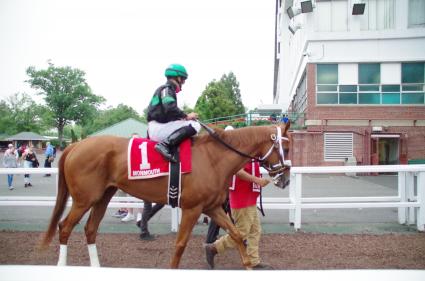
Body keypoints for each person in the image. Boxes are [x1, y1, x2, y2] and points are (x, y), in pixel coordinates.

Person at [204, 127, 272, 270]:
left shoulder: (247, 150)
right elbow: (237, 170)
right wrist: (257, 180)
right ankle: (213, 248)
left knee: (255, 230)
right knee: (241, 233)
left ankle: (254, 261)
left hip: (249, 197)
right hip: (241, 198)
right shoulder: (234, 152)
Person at [147, 64, 201, 162]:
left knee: (188, 123)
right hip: (158, 128)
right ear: (178, 78)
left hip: (155, 127)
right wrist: (186, 116)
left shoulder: (164, 89)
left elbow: (168, 113)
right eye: (183, 80)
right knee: (195, 125)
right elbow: (169, 108)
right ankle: (165, 144)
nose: (183, 82)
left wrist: (182, 118)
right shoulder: (167, 89)